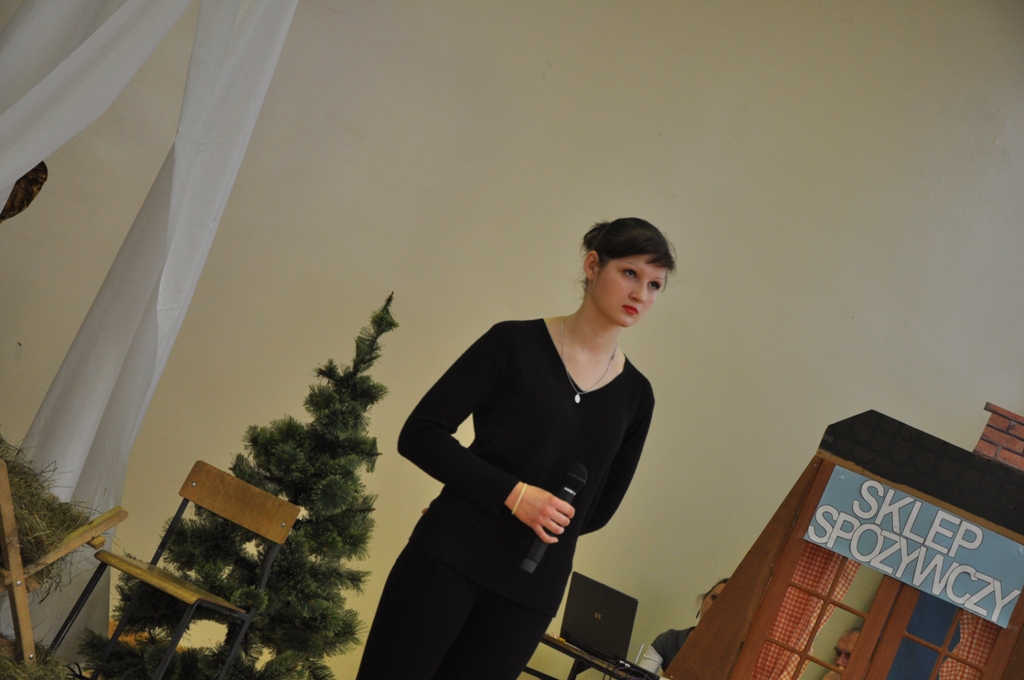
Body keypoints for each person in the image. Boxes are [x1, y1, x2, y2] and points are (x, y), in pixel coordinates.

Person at [354, 218, 675, 680]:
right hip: (447, 557)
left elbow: (598, 508)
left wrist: (530, 520)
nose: (640, 293)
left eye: (655, 284)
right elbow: (421, 434)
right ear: (592, 266)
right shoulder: (512, 343)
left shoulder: (637, 397)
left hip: (529, 595)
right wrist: (513, 496)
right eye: (630, 273)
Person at [638, 577, 729, 675]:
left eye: (724, 603)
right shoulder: (669, 639)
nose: (715, 606)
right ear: (703, 600)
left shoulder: (730, 655)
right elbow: (639, 676)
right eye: (714, 598)